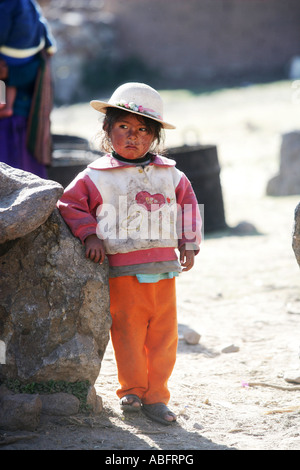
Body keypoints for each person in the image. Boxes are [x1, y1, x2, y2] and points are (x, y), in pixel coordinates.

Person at [57, 82, 202, 425]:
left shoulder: (171, 174)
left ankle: (157, 396)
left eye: (143, 130)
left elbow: (188, 207)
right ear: (107, 130)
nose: (133, 135)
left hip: (165, 270)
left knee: (164, 338)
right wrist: (89, 234)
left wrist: (189, 242)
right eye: (123, 126)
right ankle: (133, 391)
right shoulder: (96, 176)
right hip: (122, 273)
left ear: (154, 138)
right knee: (127, 333)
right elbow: (70, 203)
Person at [0, 0, 56, 177]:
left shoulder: (11, 6)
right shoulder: (30, 8)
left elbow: (37, 67)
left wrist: (10, 73)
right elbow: (49, 43)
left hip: (19, 124)